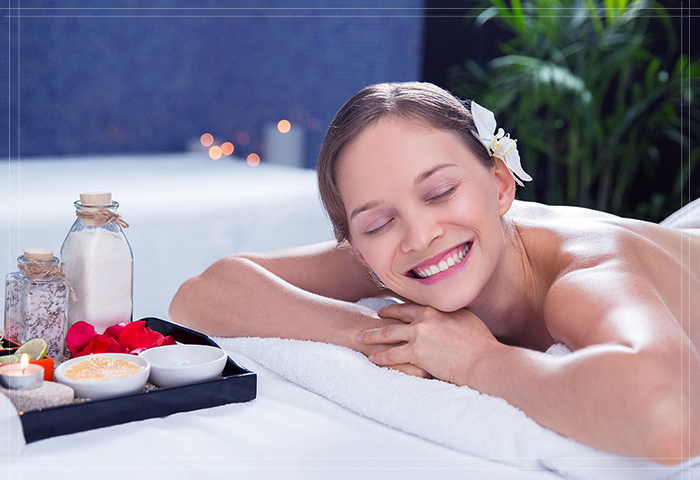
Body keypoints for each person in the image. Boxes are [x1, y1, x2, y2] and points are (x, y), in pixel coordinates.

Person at [169, 82, 700, 464]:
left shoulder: (587, 273)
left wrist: (481, 361)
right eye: (377, 222)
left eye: (441, 191)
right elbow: (203, 294)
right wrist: (383, 338)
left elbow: (669, 417)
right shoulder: (396, 255)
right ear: (357, 252)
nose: (420, 235)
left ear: (499, 184)